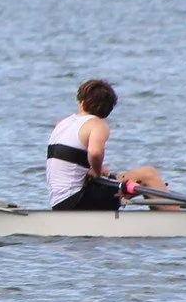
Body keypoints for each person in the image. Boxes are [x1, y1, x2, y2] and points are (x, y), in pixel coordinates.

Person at [45, 79, 171, 210]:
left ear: (82, 102)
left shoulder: (62, 124)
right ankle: (175, 222)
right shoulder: (97, 124)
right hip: (77, 201)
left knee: (135, 180)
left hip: (59, 202)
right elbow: (95, 153)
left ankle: (160, 201)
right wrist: (97, 170)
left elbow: (73, 160)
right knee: (148, 174)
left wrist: (93, 168)